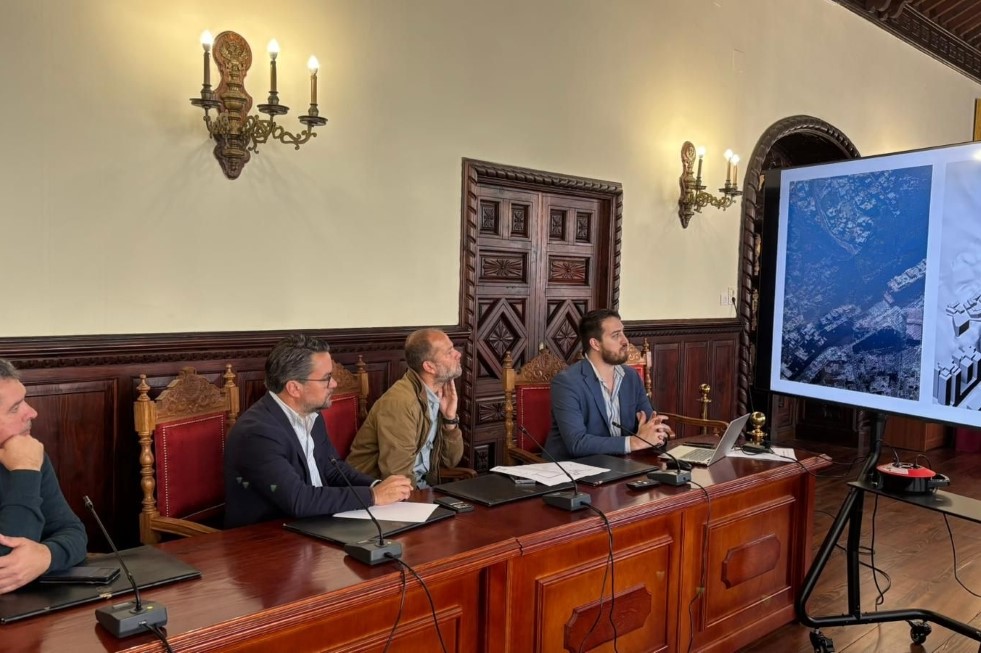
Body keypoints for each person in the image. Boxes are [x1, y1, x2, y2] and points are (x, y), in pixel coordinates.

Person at [224, 334, 413, 529]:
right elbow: (298, 499)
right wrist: (374, 496)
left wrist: (376, 486)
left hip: (317, 522)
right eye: (326, 378)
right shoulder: (257, 433)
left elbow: (332, 469)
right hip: (267, 537)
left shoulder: (310, 413)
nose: (334, 384)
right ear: (294, 388)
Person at [0, 359, 87, 594]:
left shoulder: (26, 452)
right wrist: (24, 474)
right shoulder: (26, 463)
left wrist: (46, 556)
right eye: (15, 408)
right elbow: (4, 568)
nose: (32, 412)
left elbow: (73, 531)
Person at [544, 309, 673, 460]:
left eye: (623, 333)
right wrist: (635, 442)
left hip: (624, 465)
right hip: (576, 470)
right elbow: (577, 443)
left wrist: (657, 435)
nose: (625, 341)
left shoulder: (631, 377)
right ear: (595, 344)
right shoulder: (567, 383)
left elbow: (651, 425)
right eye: (616, 335)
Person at [348, 329, 465, 489]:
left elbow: (450, 461)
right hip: (379, 497)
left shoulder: (436, 395)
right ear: (429, 367)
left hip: (419, 491)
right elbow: (397, 476)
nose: (458, 354)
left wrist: (449, 418)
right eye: (449, 352)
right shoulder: (400, 403)